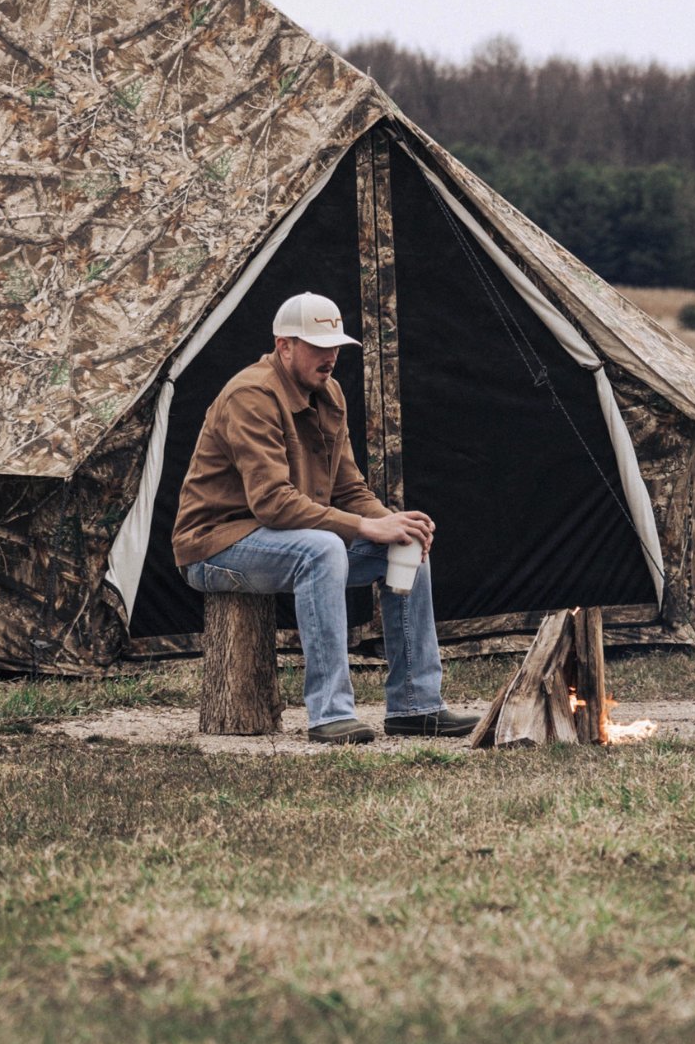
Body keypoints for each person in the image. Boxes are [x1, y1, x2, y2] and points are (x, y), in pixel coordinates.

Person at [172, 291, 478, 744]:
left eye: (335, 345)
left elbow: (350, 489)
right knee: (322, 548)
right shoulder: (250, 395)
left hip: (282, 540)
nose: (331, 356)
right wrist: (365, 527)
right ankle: (329, 713)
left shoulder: (329, 393)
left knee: (407, 546)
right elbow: (273, 503)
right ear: (285, 346)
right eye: (318, 345)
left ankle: (417, 706)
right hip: (215, 545)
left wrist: (392, 524)